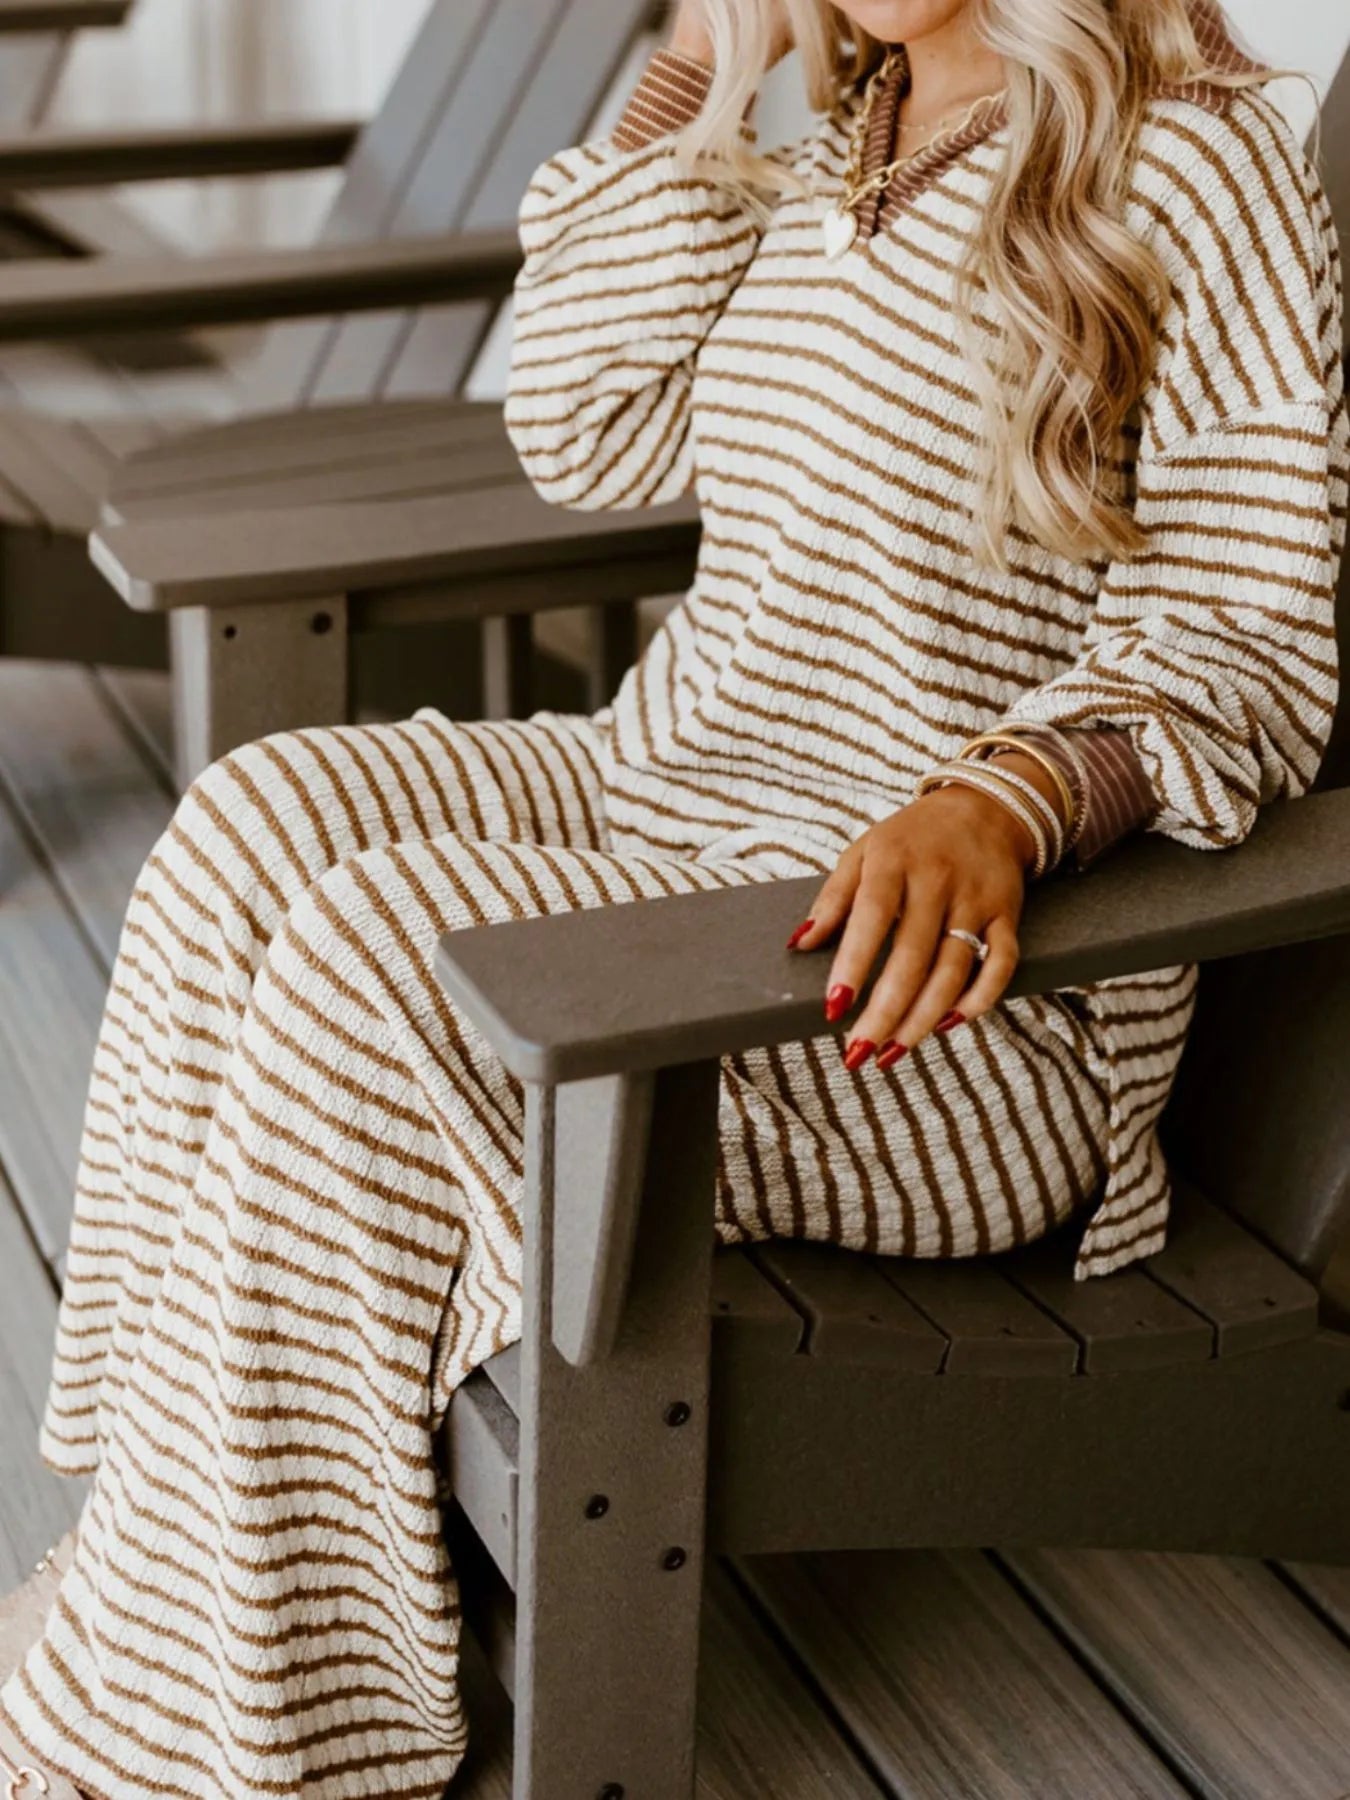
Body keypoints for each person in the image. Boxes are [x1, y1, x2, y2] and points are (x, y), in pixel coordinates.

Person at [0, 0, 1344, 1793]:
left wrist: (1008, 804)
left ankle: (226, 1740)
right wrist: (715, 60)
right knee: (259, 824)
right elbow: (577, 426)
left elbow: (1242, 626)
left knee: (371, 967)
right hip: (667, 797)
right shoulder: (831, 124)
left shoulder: (1196, 153)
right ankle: (174, 1576)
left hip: (938, 994)